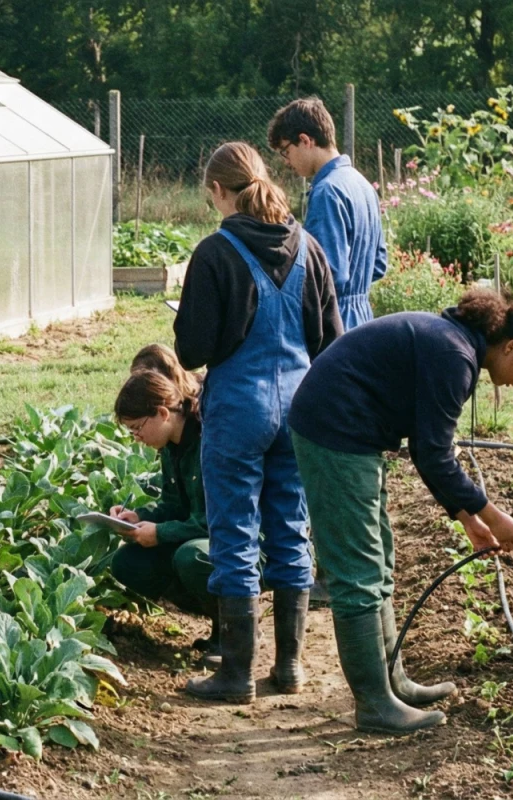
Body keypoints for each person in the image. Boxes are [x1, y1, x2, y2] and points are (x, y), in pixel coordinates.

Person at [290, 288, 513, 734]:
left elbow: (425, 446)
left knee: (379, 563)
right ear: (511, 346)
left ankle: (392, 682)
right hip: (335, 434)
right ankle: (374, 704)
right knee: (357, 572)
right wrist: (493, 516)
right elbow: (434, 453)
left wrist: (466, 516)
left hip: (354, 436)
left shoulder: (454, 345)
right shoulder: (455, 356)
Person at [172, 142, 343, 703]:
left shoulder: (215, 253)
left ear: (220, 192)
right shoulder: (309, 247)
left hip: (238, 408)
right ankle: (289, 669)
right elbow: (331, 343)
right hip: (298, 404)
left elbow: (193, 349)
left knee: (235, 533)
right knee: (291, 527)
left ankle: (236, 674)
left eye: (209, 195)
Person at [107, 368, 215, 657]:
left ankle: (234, 626)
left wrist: (161, 533)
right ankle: (219, 618)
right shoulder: (170, 447)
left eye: (137, 428)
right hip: (202, 535)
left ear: (163, 413)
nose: (136, 437)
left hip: (245, 544)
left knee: (191, 557)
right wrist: (140, 517)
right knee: (128, 563)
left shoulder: (210, 444)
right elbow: (174, 505)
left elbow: (216, 523)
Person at [268, 97, 388, 330]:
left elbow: (325, 273)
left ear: (305, 140)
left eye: (286, 151)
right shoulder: (362, 184)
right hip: (363, 320)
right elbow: (379, 264)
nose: (287, 162)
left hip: (334, 322)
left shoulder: (327, 191)